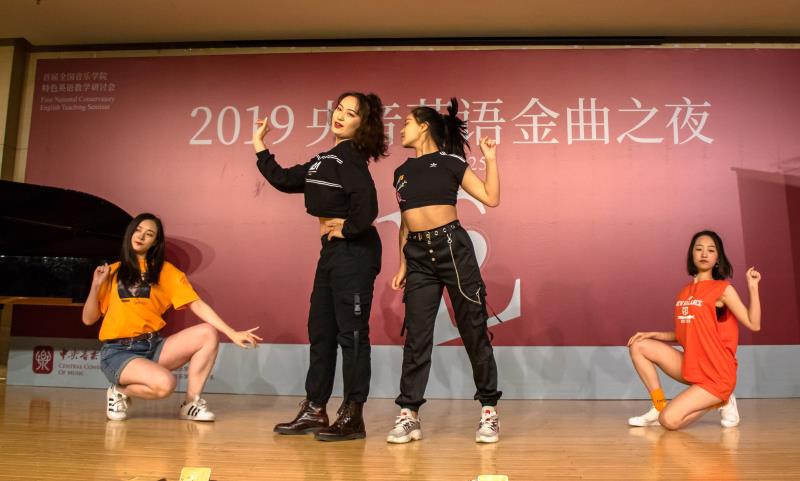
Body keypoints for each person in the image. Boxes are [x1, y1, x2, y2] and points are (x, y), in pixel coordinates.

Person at [253, 92, 387, 441]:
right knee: (322, 331)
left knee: (351, 336)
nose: (340, 115)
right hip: (332, 254)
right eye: (339, 109)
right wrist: (259, 145)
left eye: (351, 113)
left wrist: (348, 228)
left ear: (363, 124)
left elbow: (367, 206)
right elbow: (284, 179)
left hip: (355, 255)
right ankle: (315, 409)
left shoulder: (349, 158)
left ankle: (353, 415)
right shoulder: (324, 159)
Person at [387, 98, 502, 444]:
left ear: (424, 126)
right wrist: (402, 264)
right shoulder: (401, 172)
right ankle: (409, 415)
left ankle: (489, 411)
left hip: (453, 249)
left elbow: (491, 197)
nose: (401, 129)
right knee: (417, 336)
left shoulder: (452, 162)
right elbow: (405, 223)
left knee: (473, 329)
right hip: (418, 256)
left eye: (407, 122)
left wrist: (490, 158)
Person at [83, 213, 261, 421]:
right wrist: (96, 285)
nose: (141, 236)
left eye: (149, 234)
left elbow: (197, 304)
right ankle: (119, 391)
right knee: (165, 385)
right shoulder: (112, 271)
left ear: (154, 242)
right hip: (118, 352)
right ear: (130, 233)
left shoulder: (165, 271)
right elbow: (88, 319)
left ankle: (191, 403)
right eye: (138, 230)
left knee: (207, 333)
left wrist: (231, 333)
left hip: (153, 346)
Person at [627, 230, 762, 430]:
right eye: (699, 249)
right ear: (692, 254)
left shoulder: (722, 289)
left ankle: (722, 398)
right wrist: (654, 335)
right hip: (694, 364)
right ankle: (658, 405)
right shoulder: (684, 292)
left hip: (717, 374)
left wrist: (753, 287)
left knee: (669, 421)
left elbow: (753, 324)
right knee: (638, 345)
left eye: (711, 250)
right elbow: (688, 333)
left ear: (718, 258)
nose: (704, 254)